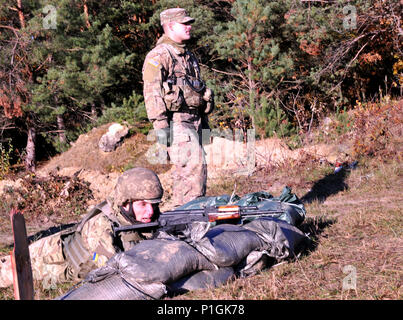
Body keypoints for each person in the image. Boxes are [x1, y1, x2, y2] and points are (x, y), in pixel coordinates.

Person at [0, 167, 163, 288]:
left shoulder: (139, 216)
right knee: (10, 270)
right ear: (125, 202)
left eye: (154, 205)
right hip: (59, 259)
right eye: (142, 204)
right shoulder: (102, 227)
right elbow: (114, 272)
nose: (150, 211)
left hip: (69, 249)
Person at [142, 8, 214, 208]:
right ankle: (191, 218)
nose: (189, 26)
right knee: (193, 166)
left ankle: (182, 218)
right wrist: (160, 125)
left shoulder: (189, 56)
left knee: (190, 175)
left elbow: (195, 90)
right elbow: (151, 91)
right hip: (176, 122)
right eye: (185, 23)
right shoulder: (158, 56)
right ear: (171, 26)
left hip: (195, 120)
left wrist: (205, 119)